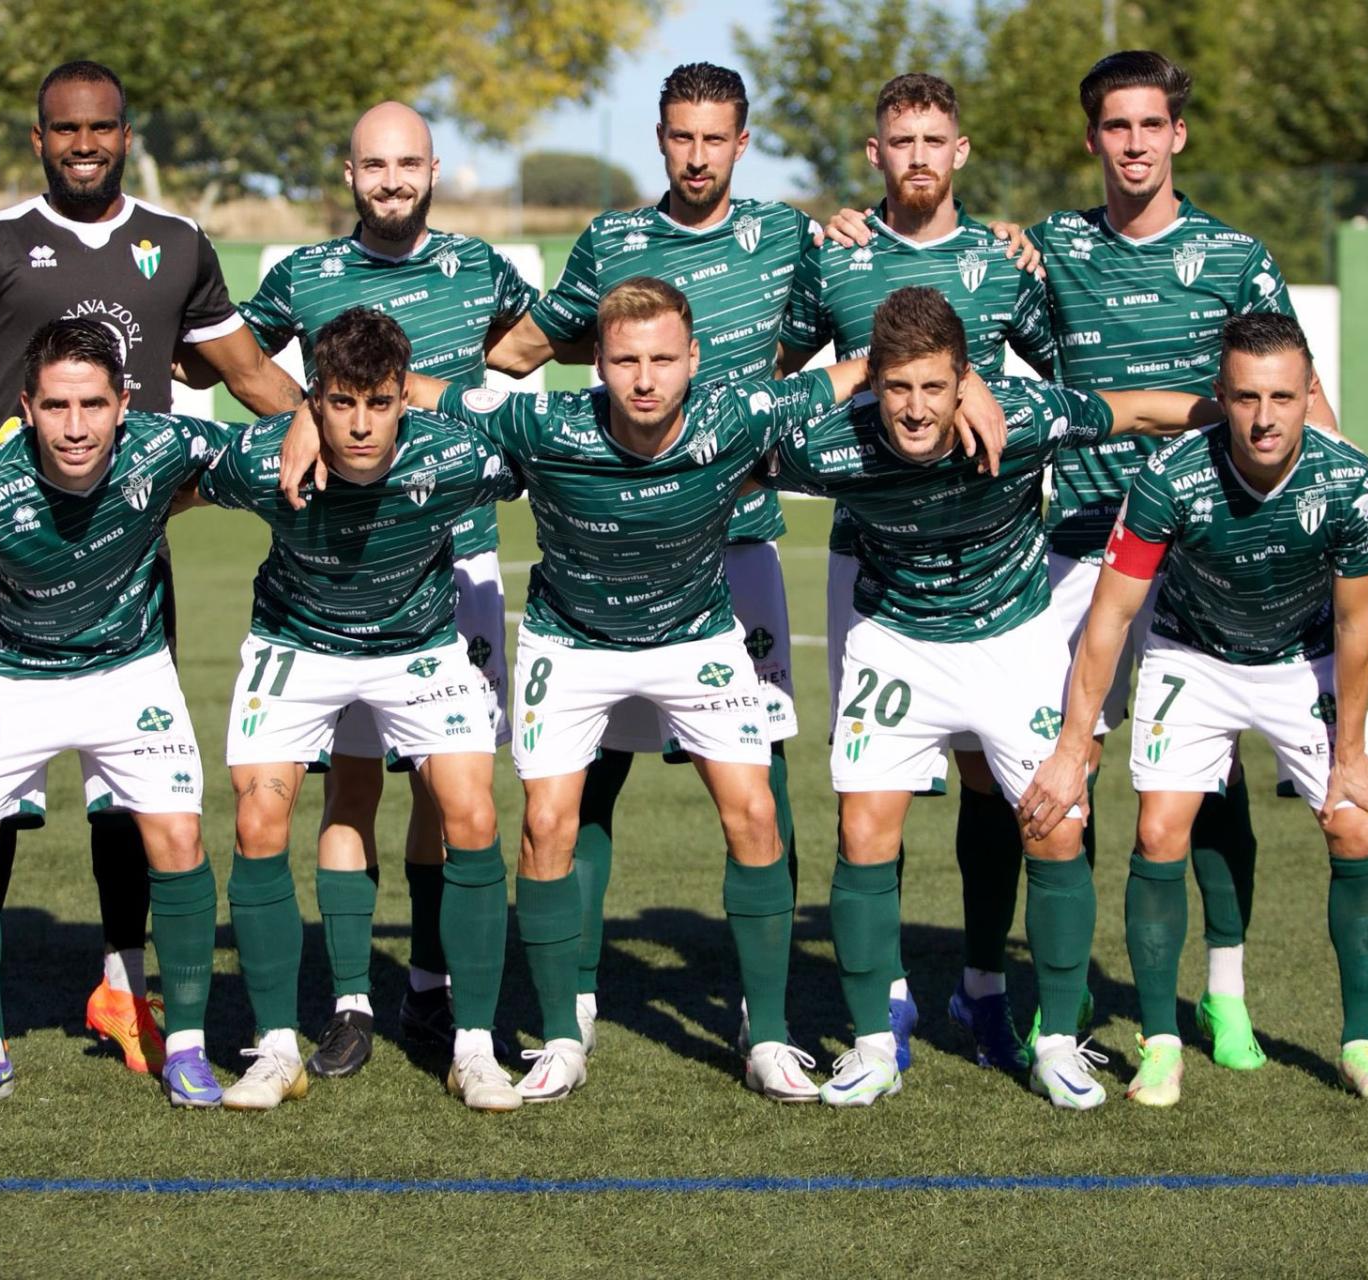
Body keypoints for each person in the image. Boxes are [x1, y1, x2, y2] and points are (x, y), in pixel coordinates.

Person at [480, 62, 1009, 1056]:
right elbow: (528, 345)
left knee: (754, 776)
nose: (695, 155)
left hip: (738, 544)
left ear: (740, 141)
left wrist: (935, 293)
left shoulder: (794, 237)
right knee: (587, 777)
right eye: (679, 136)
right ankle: (579, 990)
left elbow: (879, 323)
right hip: (623, 544)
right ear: (659, 137)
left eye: (713, 137)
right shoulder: (611, 241)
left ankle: (760, 1006)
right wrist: (444, 341)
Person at [417, 276, 1001, 1102]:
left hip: (696, 638)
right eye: (624, 360)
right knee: (546, 824)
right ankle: (558, 1037)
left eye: (662, 359)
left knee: (756, 812)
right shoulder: (540, 422)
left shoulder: (737, 414)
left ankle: (764, 1034)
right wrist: (306, 416)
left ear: (694, 360)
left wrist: (967, 380)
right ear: (599, 364)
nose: (644, 378)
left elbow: (872, 368)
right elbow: (418, 392)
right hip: (571, 642)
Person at [0, 59, 300, 1075]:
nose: (82, 144)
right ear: (39, 138)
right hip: (14, 549)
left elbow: (247, 372)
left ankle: (122, 981)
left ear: (123, 133)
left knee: (137, 795)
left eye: (99, 129)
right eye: (63, 130)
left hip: (132, 547)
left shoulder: (174, 244)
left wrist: (322, 435)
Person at [767, 286, 1214, 1109]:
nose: (914, 408)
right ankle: (871, 1044)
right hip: (894, 640)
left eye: (935, 387)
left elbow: (1142, 413)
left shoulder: (1026, 416)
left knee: (1057, 826)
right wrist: (852, 375)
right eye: (898, 387)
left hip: (1012, 640)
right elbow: (734, 428)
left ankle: (1054, 1045)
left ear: (964, 381)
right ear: (875, 385)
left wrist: (1241, 414)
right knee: (863, 832)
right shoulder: (830, 446)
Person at [1024, 51, 1338, 1064]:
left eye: (1148, 125)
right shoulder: (1049, 246)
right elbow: (951, 267)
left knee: (1208, 784)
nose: (1131, 143)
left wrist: (1332, 513)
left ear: (1176, 136)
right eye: (1113, 127)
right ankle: (1057, 997)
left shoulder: (1235, 255)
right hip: (1079, 542)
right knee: (1060, 770)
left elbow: (1297, 397)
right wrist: (859, 222)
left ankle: (1225, 990)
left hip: (1207, 556)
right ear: (1091, 140)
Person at [1019, 313, 1368, 1107]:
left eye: (1282, 398)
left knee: (1356, 822)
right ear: (1220, 398)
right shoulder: (1169, 476)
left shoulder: (1351, 482)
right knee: (1160, 829)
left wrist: (1353, 753)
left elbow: (1357, 626)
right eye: (1245, 398)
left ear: (1307, 398)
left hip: (1304, 658)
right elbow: (1110, 616)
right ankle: (1162, 1044)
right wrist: (1070, 742)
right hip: (1191, 653)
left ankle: (1362, 1042)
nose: (1264, 418)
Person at [236, 102, 537, 1076]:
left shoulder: (476, 265)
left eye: (407, 162)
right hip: (346, 564)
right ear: (350, 170)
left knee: (451, 788)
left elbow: (537, 341)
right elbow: (235, 356)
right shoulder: (305, 274)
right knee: (353, 781)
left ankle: (434, 984)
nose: (392, 178)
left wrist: (453, 402)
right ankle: (353, 1002)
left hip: (462, 556)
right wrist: (298, 416)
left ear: (434, 168)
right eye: (374, 163)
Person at [785, 71, 1056, 1072]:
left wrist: (982, 370)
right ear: (873, 154)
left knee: (994, 777)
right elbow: (777, 387)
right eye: (898, 140)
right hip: (873, 567)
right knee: (872, 784)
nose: (916, 157)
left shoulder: (1002, 259)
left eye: (933, 139)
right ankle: (883, 998)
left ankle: (979, 983)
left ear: (960, 151)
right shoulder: (837, 261)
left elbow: (1060, 376)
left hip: (991, 567)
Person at [192, 307, 523, 1111]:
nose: (362, 425)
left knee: (470, 814)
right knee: (257, 820)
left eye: (379, 402)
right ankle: (274, 1049)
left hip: (416, 647)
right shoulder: (257, 458)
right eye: (340, 404)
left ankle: (474, 1047)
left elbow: (543, 447)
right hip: (296, 644)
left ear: (403, 398)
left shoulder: (456, 458)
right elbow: (164, 480)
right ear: (314, 400)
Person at [0, 319, 226, 1108]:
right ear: (26, 406)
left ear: (124, 402)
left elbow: (264, 450)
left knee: (179, 835)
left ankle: (186, 1047)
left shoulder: (163, 446)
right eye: (55, 406)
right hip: (9, 672)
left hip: (127, 671)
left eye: (93, 403)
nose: (77, 425)